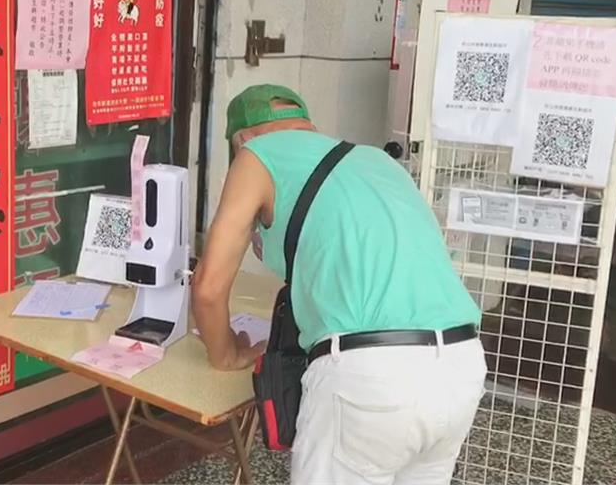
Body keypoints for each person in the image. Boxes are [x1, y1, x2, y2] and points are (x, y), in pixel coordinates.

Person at [192, 84, 486, 484]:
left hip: (373, 379)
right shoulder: (373, 160)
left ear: (242, 138)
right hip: (460, 367)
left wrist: (226, 355)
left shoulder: (256, 154)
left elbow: (208, 289)